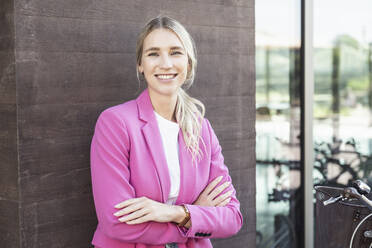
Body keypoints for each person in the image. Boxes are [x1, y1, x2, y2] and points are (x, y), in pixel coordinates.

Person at [90, 16, 243, 248]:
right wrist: (192, 219)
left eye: (175, 52)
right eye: (153, 53)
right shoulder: (115, 122)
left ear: (188, 63)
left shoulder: (202, 129)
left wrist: (174, 212)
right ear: (140, 65)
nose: (165, 64)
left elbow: (232, 218)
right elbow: (116, 222)